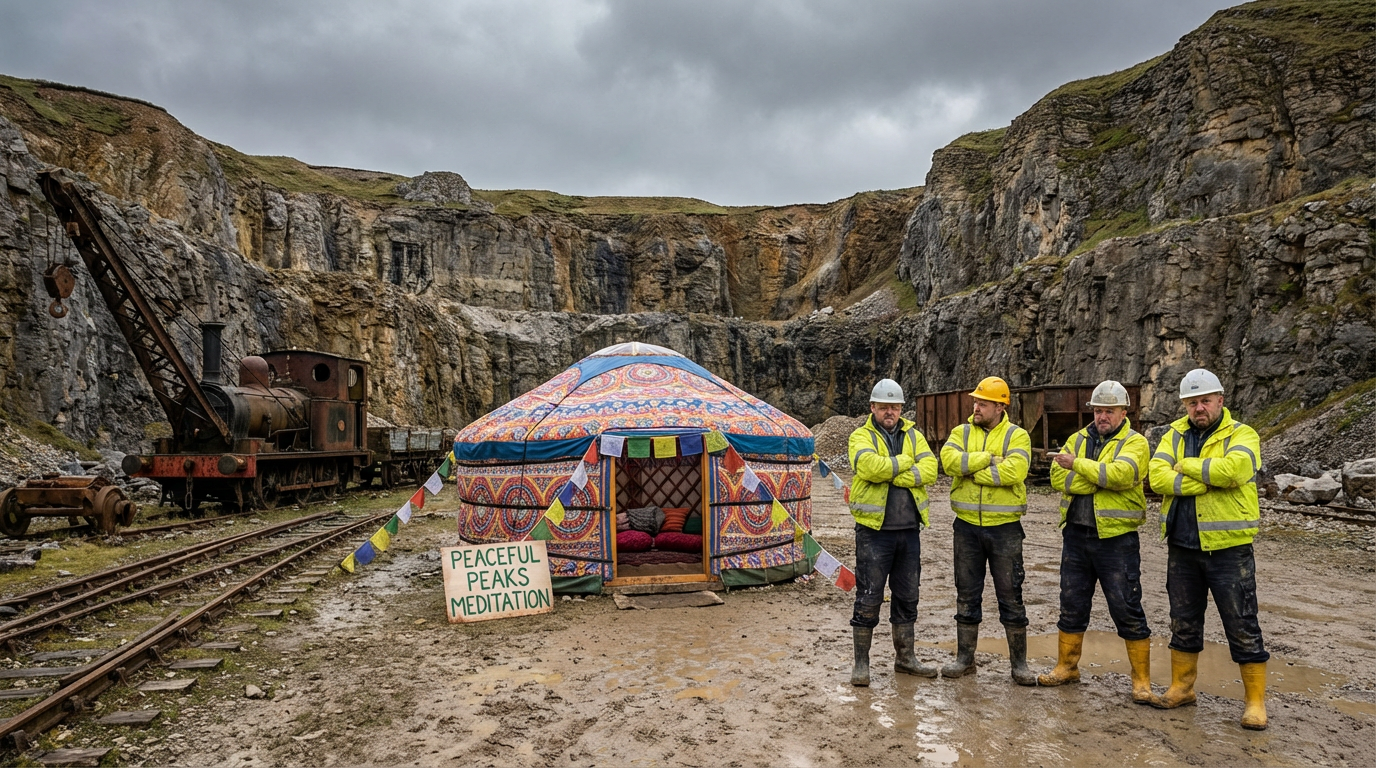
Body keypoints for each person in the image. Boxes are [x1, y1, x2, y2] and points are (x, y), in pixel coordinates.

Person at [1148, 368, 1268, 730]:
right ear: (1185, 404)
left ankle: (1255, 703)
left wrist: (1185, 467)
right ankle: (1182, 688)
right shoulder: (1174, 433)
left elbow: (1234, 471)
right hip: (1182, 547)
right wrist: (1200, 482)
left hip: (1229, 549)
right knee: (1182, 622)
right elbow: (1155, 476)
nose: (1199, 408)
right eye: (1192, 402)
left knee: (1242, 623)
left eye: (1204, 401)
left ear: (1220, 400)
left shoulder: (1242, 434)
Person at [1039, 380, 1154, 702]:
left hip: (1116, 539)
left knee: (1126, 606)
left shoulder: (1136, 442)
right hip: (1076, 534)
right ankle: (1067, 667)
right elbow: (1056, 478)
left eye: (1109, 411)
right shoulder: (1078, 438)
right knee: (1071, 603)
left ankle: (1141, 681)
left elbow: (1122, 476)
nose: (1102, 416)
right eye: (1098, 410)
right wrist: (1096, 477)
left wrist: (1078, 466)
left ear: (1123, 412)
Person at [939, 376, 1035, 685]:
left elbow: (1015, 470)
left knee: (1011, 596)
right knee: (966, 595)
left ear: (1000, 406)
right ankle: (965, 659)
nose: (975, 406)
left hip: (1005, 530)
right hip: (966, 528)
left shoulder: (1017, 436)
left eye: (982, 403)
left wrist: (973, 473)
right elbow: (948, 461)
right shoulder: (961, 432)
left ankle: (1019, 664)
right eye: (975, 401)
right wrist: (987, 460)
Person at [845, 378, 940, 687]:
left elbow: (931, 470)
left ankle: (906, 659)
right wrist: (903, 463)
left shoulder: (914, 435)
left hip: (909, 532)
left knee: (907, 596)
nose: (889, 412)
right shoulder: (860, 436)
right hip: (874, 533)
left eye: (894, 407)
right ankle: (862, 664)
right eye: (884, 406)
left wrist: (893, 473)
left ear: (901, 408)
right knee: (869, 596)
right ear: (872, 407)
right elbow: (869, 468)